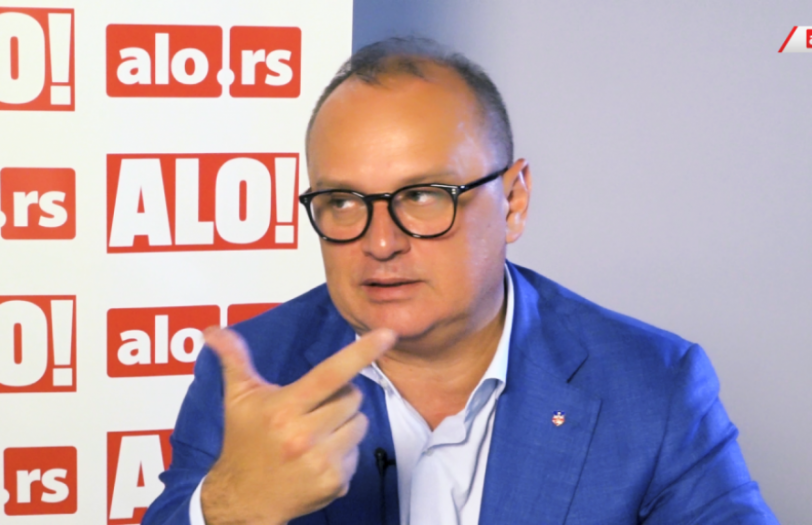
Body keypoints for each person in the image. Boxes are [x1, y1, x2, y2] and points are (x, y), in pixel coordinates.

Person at [143, 37, 779, 525]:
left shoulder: (653, 386)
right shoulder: (253, 372)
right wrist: (229, 508)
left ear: (514, 201)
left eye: (423, 195)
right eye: (342, 201)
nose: (380, 242)